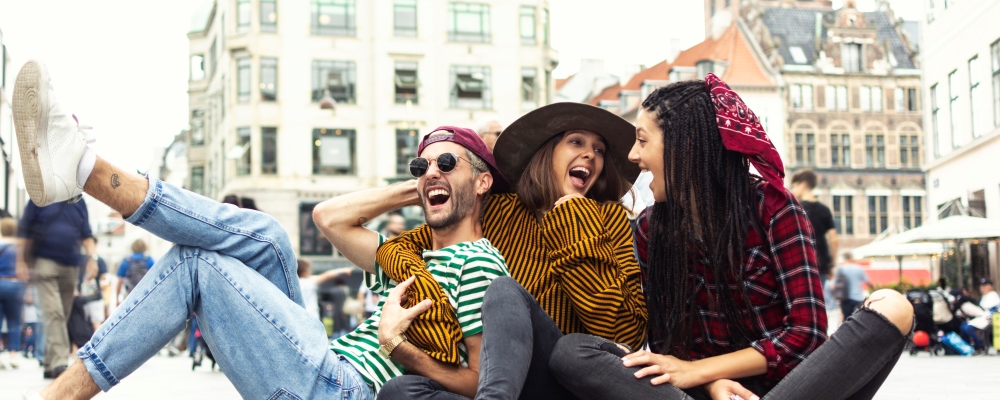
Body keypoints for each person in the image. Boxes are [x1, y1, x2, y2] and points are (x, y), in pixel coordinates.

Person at [16, 60, 507, 399]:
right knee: (269, 236)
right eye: (420, 164)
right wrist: (424, 181)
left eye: (447, 161)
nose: (430, 172)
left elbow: (483, 383)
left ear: (483, 180)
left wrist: (399, 349)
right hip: (321, 357)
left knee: (195, 264)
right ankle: (81, 169)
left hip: (343, 388)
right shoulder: (404, 253)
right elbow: (327, 217)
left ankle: (82, 168)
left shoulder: (480, 262)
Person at [548, 74, 914, 400]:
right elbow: (666, 349)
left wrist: (701, 371)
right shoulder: (649, 229)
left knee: (893, 307)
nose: (633, 155)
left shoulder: (772, 207)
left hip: (791, 387)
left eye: (643, 141)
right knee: (572, 352)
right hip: (705, 393)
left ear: (684, 145)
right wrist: (709, 383)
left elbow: (806, 333)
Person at [369, 103, 644, 399]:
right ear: (546, 152)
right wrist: (430, 181)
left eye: (600, 150)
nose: (590, 154)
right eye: (576, 142)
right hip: (498, 381)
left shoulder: (612, 219)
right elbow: (399, 245)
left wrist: (574, 217)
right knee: (400, 391)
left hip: (563, 382)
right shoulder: (499, 210)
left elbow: (622, 334)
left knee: (504, 292)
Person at [16, 170, 97, 379]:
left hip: (70, 265)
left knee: (63, 313)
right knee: (54, 313)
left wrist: (93, 258)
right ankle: (61, 362)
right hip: (45, 263)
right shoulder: (39, 198)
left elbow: (87, 234)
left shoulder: (78, 202)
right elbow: (24, 232)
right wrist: (21, 261)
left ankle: (50, 364)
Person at [789, 169, 838, 289]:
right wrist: (831, 264)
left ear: (803, 184)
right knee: (819, 299)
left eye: (794, 186)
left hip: (800, 261)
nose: (793, 190)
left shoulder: (796, 208)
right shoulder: (824, 209)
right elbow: (834, 240)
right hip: (821, 263)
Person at [0, 217, 24, 370]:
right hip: (15, 284)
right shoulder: (20, 248)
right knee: (15, 322)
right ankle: (13, 355)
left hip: (0, 282)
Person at [77, 238, 108, 332]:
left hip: (80, 297)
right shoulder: (99, 260)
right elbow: (104, 277)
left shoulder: (79, 259)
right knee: (97, 324)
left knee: (81, 325)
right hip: (96, 296)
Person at [114, 239, 154, 305]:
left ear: (132, 247)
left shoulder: (126, 261)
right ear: (145, 247)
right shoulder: (149, 260)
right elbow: (154, 277)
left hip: (129, 295)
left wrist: (117, 298)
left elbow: (120, 281)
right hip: (146, 294)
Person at [836, 252, 871, 318]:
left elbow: (835, 285)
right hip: (858, 299)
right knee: (858, 320)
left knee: (847, 320)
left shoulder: (841, 269)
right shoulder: (858, 268)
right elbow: (868, 282)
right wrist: (875, 290)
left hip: (845, 299)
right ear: (851, 258)